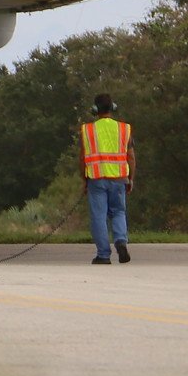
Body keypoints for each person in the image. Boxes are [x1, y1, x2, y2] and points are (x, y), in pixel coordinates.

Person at [78, 93, 135, 266]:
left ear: (94, 110)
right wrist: (130, 178)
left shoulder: (87, 130)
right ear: (113, 107)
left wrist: (84, 179)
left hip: (96, 179)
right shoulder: (124, 129)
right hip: (119, 178)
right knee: (119, 212)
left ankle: (103, 255)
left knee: (99, 216)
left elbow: (82, 158)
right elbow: (131, 157)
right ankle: (120, 241)